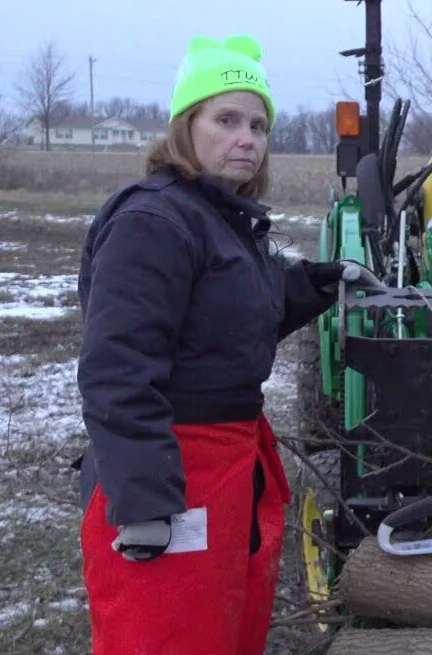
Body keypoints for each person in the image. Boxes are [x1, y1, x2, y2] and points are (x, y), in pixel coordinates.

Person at [74, 34, 352, 654]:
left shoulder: (221, 219)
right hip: (173, 467)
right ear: (186, 125)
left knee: (227, 631)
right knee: (166, 637)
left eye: (258, 124)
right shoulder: (154, 221)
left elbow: (225, 326)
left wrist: (312, 286)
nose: (246, 138)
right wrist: (144, 500)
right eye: (226, 119)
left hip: (232, 467)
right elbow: (116, 368)